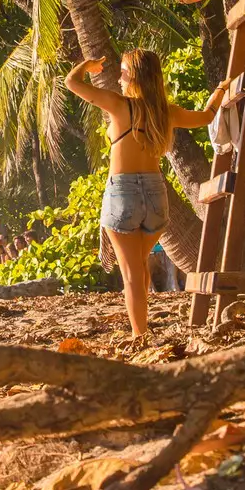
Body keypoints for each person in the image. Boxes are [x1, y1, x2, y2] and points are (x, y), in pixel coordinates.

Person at [64, 50, 230, 337]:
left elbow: (71, 83)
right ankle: (141, 331)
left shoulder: (117, 105)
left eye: (124, 70)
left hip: (124, 192)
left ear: (136, 76)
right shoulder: (167, 112)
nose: (119, 75)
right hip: (155, 193)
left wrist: (86, 66)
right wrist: (220, 90)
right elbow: (207, 116)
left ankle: (139, 336)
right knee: (139, 268)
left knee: (132, 273)